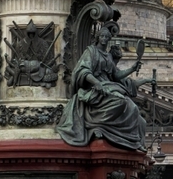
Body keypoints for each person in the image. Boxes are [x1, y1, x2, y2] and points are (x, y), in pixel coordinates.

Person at [57, 23, 154, 151]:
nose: (104, 39)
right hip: (96, 88)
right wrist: (96, 83)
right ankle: (97, 125)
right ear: (98, 37)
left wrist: (132, 68)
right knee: (120, 101)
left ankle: (134, 141)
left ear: (109, 39)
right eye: (102, 36)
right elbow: (83, 71)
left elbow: (116, 75)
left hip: (109, 86)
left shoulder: (108, 56)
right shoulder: (91, 51)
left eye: (106, 37)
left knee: (135, 110)